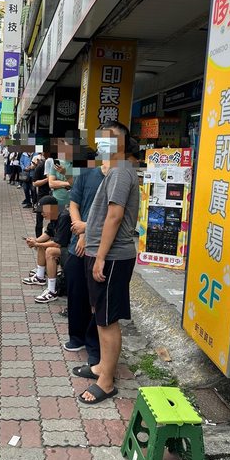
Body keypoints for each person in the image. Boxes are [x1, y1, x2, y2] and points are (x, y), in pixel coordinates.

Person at [75, 121, 139, 405]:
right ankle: (102, 366)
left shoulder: (121, 170)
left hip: (112, 257)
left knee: (107, 319)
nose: (102, 144)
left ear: (121, 142)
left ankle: (107, 381)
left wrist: (100, 257)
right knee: (100, 314)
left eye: (109, 139)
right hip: (102, 254)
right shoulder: (114, 169)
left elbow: (114, 216)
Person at [63, 152, 104, 363]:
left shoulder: (118, 178)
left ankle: (94, 344)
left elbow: (113, 217)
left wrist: (87, 232)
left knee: (96, 298)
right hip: (77, 245)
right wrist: (80, 234)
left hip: (101, 247)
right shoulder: (86, 175)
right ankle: (76, 336)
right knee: (75, 290)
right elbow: (74, 204)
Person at [22, 196, 71, 303]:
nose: (42, 214)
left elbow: (58, 243)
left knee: (50, 251)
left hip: (72, 250)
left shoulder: (64, 217)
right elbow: (48, 233)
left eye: (43, 211)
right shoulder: (55, 215)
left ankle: (52, 291)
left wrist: (37, 244)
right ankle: (40, 277)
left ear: (52, 208)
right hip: (64, 247)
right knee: (42, 244)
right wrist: (35, 241)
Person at [48, 138, 73, 211]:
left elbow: (77, 184)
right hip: (57, 200)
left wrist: (65, 174)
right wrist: (67, 184)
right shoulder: (57, 162)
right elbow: (51, 183)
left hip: (73, 203)